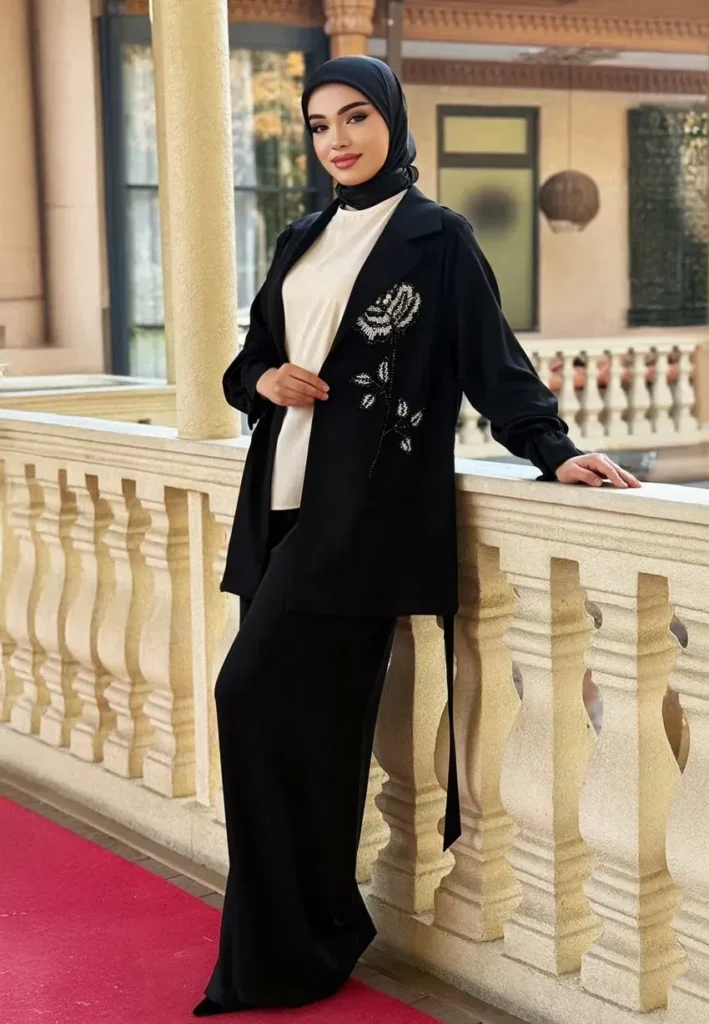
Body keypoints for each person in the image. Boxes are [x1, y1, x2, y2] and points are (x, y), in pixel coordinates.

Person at [193, 55, 640, 1018]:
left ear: (392, 121)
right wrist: (262, 380)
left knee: (247, 695)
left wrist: (553, 448)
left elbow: (492, 363)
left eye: (356, 117)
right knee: (309, 731)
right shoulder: (303, 235)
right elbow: (248, 362)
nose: (338, 139)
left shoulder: (436, 236)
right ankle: (311, 932)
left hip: (360, 518)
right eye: (319, 125)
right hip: (277, 506)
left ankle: (288, 944)